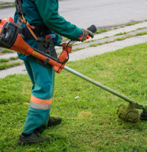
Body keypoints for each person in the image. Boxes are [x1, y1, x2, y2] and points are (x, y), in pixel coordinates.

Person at [14, 0, 94, 145]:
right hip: (37, 43)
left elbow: (28, 13)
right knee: (43, 87)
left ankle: (42, 118)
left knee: (38, 83)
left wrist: (56, 39)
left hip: (26, 39)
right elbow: (50, 18)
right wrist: (78, 33)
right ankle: (29, 134)